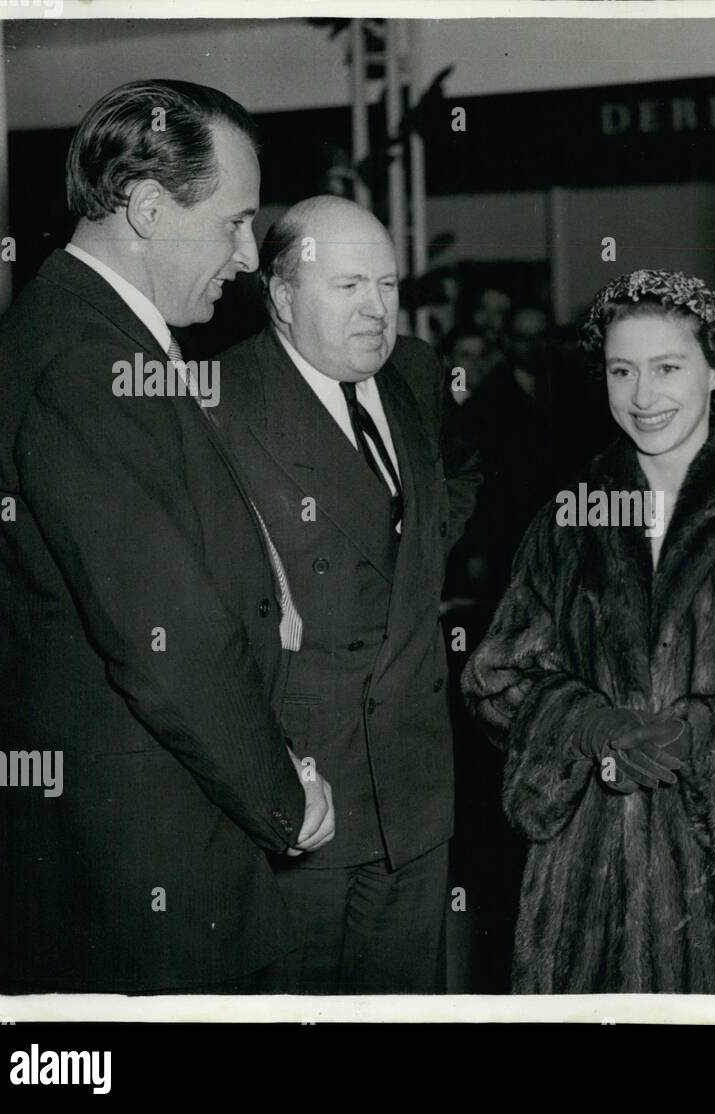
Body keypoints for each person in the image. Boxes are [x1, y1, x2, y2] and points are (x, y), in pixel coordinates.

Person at [0, 80, 332, 994]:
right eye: (232, 222)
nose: (249, 257)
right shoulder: (85, 362)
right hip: (141, 867)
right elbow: (165, 639)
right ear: (145, 208)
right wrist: (283, 797)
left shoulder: (96, 338)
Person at [462, 270, 715, 994]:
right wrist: (589, 728)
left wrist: (712, 741)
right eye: (622, 371)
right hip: (591, 890)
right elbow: (496, 677)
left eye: (667, 368)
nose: (643, 396)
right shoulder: (570, 520)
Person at [214, 196, 480, 993]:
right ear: (284, 297)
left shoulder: (417, 373)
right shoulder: (217, 401)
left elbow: (459, 477)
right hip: (306, 789)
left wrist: (413, 567)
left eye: (389, 284)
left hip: (418, 787)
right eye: (348, 286)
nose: (377, 309)